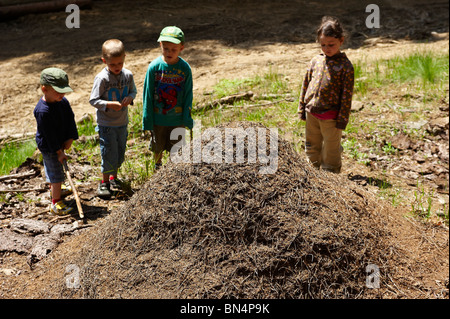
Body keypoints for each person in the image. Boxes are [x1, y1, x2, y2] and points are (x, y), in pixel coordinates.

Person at [298, 16, 354, 173]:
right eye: (323, 45)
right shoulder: (316, 60)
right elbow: (306, 84)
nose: (327, 48)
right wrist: (302, 107)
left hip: (331, 117)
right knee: (311, 144)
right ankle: (312, 170)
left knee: (331, 147)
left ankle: (331, 174)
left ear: (341, 40)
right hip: (312, 113)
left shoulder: (345, 66)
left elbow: (347, 95)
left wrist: (342, 119)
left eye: (331, 45)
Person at [90, 39, 137, 197]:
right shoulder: (102, 78)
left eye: (120, 63)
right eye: (112, 65)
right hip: (107, 123)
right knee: (108, 151)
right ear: (104, 61)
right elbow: (93, 100)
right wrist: (109, 104)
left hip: (122, 122)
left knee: (120, 151)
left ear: (124, 58)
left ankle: (113, 177)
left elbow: (133, 92)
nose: (117, 68)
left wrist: (129, 98)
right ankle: (104, 182)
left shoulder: (128, 75)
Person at [142, 26, 194, 170]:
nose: (169, 52)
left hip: (177, 119)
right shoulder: (154, 67)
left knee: (176, 148)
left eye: (173, 49)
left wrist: (187, 117)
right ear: (160, 45)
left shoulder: (184, 68)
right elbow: (147, 94)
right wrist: (147, 119)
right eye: (166, 48)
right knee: (157, 146)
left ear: (181, 48)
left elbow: (188, 93)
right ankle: (158, 166)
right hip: (158, 118)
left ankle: (173, 170)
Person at [34, 67, 79, 215]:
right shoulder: (43, 111)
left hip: (59, 141)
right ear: (44, 89)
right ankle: (56, 202)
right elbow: (49, 136)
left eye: (63, 90)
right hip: (49, 146)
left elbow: (70, 119)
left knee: (56, 169)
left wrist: (70, 137)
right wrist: (59, 152)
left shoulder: (62, 101)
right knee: (55, 172)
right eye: (58, 91)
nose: (62, 94)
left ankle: (56, 187)